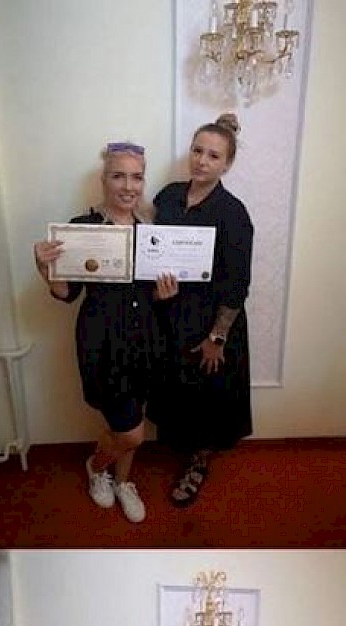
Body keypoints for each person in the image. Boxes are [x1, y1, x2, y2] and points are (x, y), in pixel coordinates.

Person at [34, 142, 178, 523]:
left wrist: (164, 295)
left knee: (131, 419)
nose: (129, 186)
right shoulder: (82, 228)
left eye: (136, 177)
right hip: (102, 342)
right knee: (130, 431)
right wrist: (45, 269)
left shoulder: (151, 232)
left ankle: (123, 481)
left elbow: (151, 295)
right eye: (119, 176)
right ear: (104, 180)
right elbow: (67, 293)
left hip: (145, 340)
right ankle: (96, 467)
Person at [151, 113, 254, 507]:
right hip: (171, 313)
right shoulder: (167, 196)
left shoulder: (234, 213)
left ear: (227, 164)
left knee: (207, 395)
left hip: (212, 322)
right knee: (177, 389)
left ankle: (198, 462)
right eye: (197, 151)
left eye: (213, 156)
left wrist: (218, 336)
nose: (202, 161)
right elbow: (152, 246)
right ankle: (181, 446)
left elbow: (238, 283)